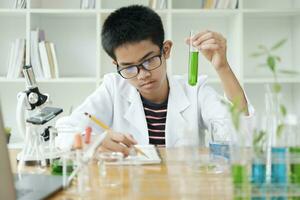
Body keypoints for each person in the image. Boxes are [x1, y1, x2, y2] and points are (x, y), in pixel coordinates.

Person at [55, 5, 254, 156]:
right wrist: (92, 141)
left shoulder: (195, 90)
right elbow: (64, 133)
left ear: (166, 50)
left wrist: (223, 68)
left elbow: (240, 135)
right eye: (128, 67)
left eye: (149, 60)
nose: (142, 74)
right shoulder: (113, 87)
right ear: (116, 64)